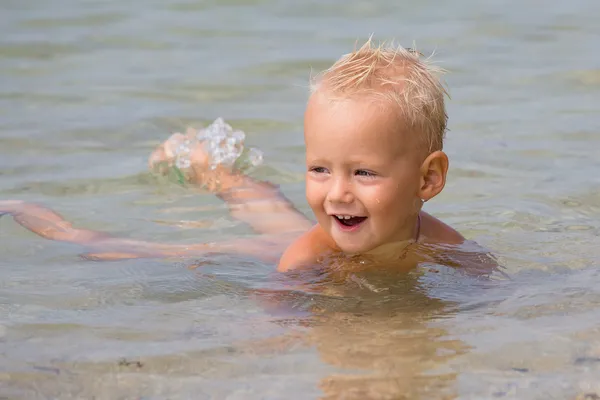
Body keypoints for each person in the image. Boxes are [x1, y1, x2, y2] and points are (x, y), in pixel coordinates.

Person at [0, 39, 498, 275]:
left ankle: (213, 170)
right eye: (319, 169)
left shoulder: (448, 248)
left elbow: (493, 291)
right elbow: (276, 313)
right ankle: (40, 216)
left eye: (363, 172)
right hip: (293, 246)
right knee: (149, 251)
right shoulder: (305, 258)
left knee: (273, 213)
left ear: (428, 180)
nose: (337, 191)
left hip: (316, 233)